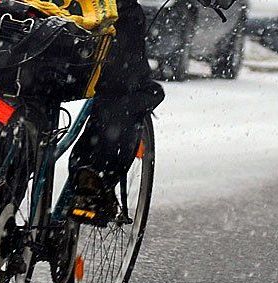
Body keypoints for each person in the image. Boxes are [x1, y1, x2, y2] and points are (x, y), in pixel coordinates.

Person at [68, 0, 236, 225]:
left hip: (22, 15)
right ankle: (93, 180)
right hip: (97, 12)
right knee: (127, 91)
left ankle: (10, 177)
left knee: (26, 84)